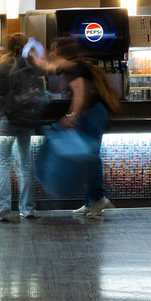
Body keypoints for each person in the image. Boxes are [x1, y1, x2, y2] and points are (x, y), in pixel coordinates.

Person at [46, 37, 120, 217]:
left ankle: (98, 199)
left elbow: (80, 93)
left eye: (53, 50)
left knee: (90, 157)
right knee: (86, 157)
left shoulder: (74, 67)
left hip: (93, 113)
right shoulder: (73, 67)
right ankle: (91, 202)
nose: (51, 53)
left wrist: (71, 116)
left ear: (59, 52)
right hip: (91, 112)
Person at [0, 34, 45, 221]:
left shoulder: (4, 65)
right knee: (25, 164)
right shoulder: (32, 65)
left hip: (8, 119)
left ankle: (2, 209)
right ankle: (28, 209)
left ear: (9, 47)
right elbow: (41, 89)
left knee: (4, 163)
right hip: (27, 119)